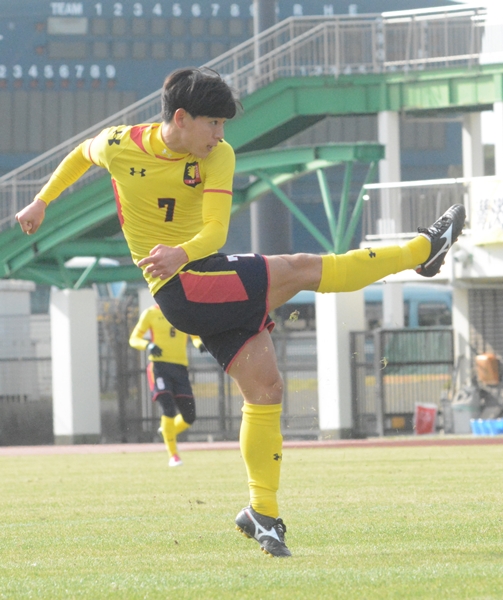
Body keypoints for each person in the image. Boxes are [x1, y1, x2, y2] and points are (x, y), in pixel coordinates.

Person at [14, 67, 466, 558]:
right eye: (213, 124)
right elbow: (82, 154)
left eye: (224, 125)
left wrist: (180, 251)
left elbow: (214, 233)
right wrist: (41, 201)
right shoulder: (120, 145)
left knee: (266, 388)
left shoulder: (218, 156)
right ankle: (422, 250)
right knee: (299, 268)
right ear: (181, 119)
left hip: (201, 274)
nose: (221, 135)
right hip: (182, 288)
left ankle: (262, 514)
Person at [129, 303, 204, 467]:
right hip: (159, 368)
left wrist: (200, 345)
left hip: (180, 368)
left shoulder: (184, 311)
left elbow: (195, 336)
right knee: (168, 408)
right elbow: (133, 339)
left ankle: (168, 431)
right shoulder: (150, 314)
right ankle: (174, 456)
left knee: (189, 416)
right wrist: (148, 345)